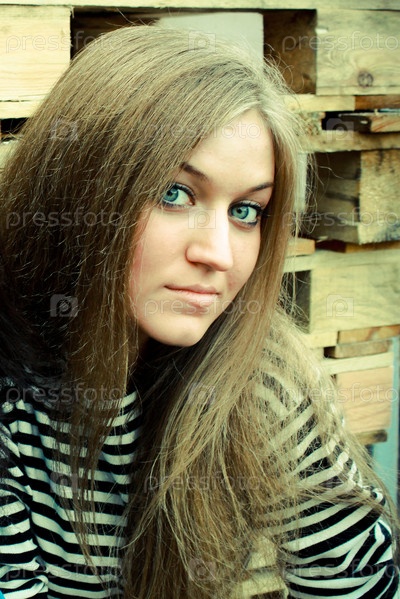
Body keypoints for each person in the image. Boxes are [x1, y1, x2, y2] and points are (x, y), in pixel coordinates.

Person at [0, 24, 398, 599]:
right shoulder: (14, 400)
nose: (218, 254)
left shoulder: (261, 381)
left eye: (246, 211)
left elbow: (357, 582)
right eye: (174, 194)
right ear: (80, 189)